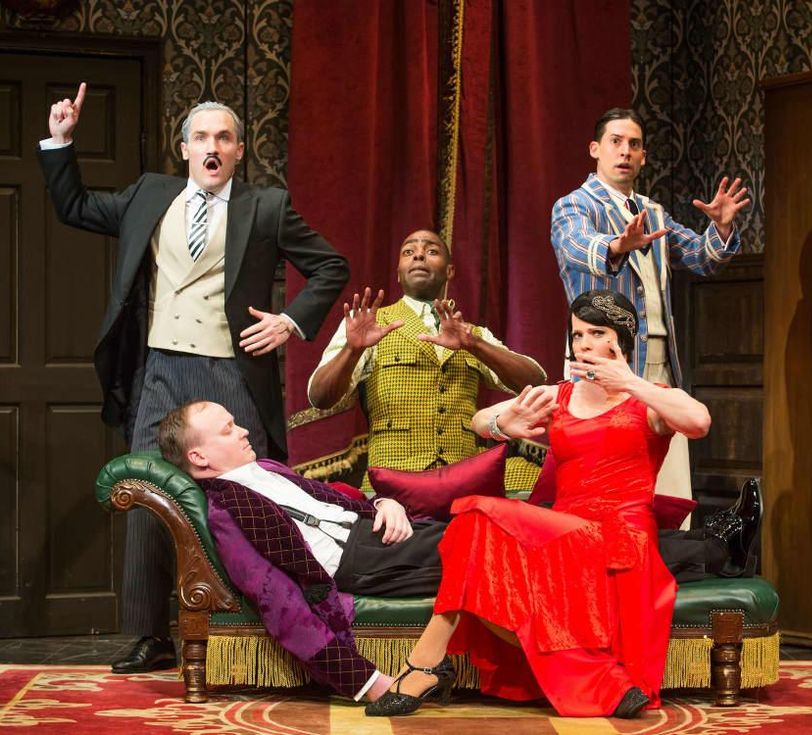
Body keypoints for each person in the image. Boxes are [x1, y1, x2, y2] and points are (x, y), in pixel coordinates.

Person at [38, 84, 349, 673]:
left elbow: (331, 265)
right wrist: (60, 142)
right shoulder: (149, 195)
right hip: (159, 368)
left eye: (223, 138)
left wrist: (288, 320)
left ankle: (254, 623)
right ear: (184, 149)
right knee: (146, 491)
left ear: (238, 151)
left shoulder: (266, 207)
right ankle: (149, 633)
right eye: (201, 137)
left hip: (229, 369)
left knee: (245, 493)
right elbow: (74, 206)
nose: (212, 147)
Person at [365, 290, 710, 719]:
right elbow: (479, 421)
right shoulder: (559, 397)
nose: (584, 344)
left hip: (620, 542)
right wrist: (502, 424)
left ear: (621, 339)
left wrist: (630, 383)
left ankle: (424, 666)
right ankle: (431, 662)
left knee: (473, 516)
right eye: (577, 334)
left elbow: (699, 422)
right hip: (561, 542)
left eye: (596, 333)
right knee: (471, 527)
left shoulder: (648, 401)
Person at [158, 400, 446, 702]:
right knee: (472, 542)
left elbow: (334, 498)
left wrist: (384, 503)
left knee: (470, 525)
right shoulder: (229, 512)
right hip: (361, 561)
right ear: (199, 457)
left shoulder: (264, 469)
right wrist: (366, 682)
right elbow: (276, 598)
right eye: (228, 430)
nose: (243, 431)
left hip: (373, 529)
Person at [550, 108, 750, 505]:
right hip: (605, 358)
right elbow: (575, 247)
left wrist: (722, 227)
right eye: (616, 142)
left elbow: (702, 258)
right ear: (595, 149)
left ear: (643, 156)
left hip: (658, 356)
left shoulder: (652, 212)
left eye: (634, 144)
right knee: (610, 472)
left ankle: (667, 540)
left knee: (666, 477)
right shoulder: (574, 206)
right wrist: (616, 245)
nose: (625, 151)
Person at [307, 229, 546, 488]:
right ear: (398, 273)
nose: (419, 255)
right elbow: (320, 397)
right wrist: (352, 350)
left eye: (431, 251)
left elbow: (534, 382)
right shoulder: (369, 326)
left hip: (463, 484)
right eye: (409, 251)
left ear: (449, 271)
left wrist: (474, 345)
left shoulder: (472, 334)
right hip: (392, 487)